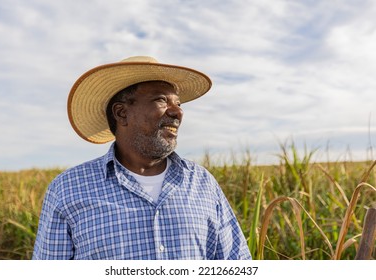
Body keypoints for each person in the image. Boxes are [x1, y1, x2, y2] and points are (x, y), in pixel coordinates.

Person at [32, 56, 252, 260]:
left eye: (179, 103)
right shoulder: (68, 189)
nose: (178, 112)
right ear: (121, 113)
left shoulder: (202, 183)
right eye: (161, 100)